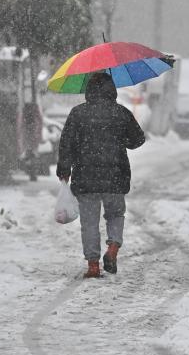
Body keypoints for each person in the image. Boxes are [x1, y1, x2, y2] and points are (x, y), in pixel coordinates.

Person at [56, 72, 146, 278]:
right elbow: (138, 140)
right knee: (115, 214)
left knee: (89, 222)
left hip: (86, 177)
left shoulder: (78, 113)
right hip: (116, 176)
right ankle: (113, 247)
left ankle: (93, 265)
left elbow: (66, 144)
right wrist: (121, 139)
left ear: (88, 90)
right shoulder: (121, 113)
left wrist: (64, 169)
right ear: (112, 89)